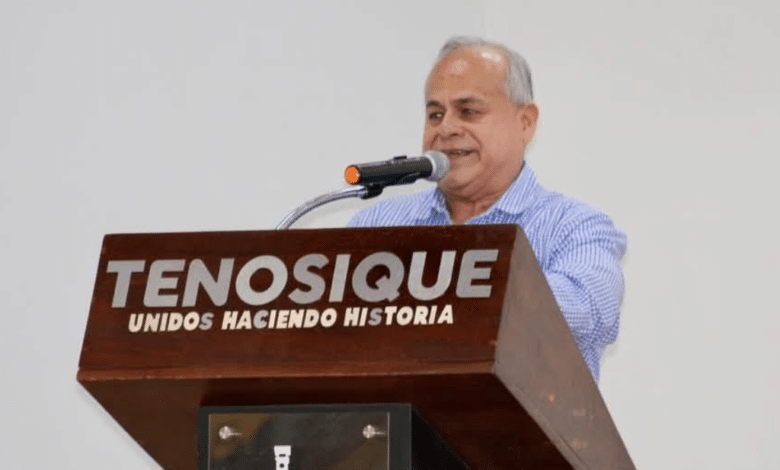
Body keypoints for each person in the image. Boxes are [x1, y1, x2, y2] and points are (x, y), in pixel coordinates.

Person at [348, 36, 627, 382]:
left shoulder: (575, 226)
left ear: (525, 123)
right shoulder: (376, 225)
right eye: (435, 114)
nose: (446, 128)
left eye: (468, 111)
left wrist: (451, 283)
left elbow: (591, 311)